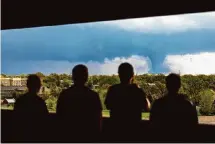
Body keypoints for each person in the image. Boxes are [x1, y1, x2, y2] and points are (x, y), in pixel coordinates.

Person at [56, 64, 102, 142]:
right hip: (88, 136)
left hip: (68, 136)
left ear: (73, 77)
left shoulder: (64, 95)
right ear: (86, 77)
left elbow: (59, 117)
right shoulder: (93, 96)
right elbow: (98, 119)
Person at [104, 62, 150, 141]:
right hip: (134, 131)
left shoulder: (113, 90)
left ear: (119, 75)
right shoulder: (137, 91)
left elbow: (107, 105)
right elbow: (147, 107)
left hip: (116, 131)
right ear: (132, 75)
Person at [150, 73, 198, 141]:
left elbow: (153, 124)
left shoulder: (158, 103)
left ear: (166, 85)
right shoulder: (187, 104)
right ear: (179, 85)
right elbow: (194, 125)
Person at [13, 74, 49, 142]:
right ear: (38, 86)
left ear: (27, 85)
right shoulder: (39, 102)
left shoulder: (20, 100)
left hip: (21, 134)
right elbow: (45, 120)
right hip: (36, 135)